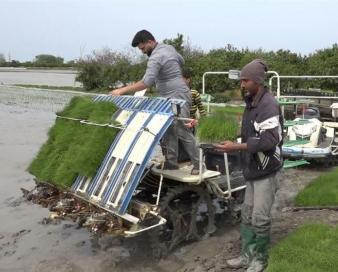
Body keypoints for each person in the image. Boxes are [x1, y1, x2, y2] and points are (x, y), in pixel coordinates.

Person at [215, 59, 283, 272]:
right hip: (253, 169)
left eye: (245, 80)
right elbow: (250, 133)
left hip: (266, 169)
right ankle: (247, 255)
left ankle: (260, 260)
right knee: (247, 214)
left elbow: (270, 140)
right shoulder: (251, 101)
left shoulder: (268, 104)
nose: (242, 84)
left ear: (257, 81)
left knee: (260, 218)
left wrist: (236, 147)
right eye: (242, 80)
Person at [110, 30, 200, 174]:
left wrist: (121, 90)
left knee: (182, 129)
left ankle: (199, 164)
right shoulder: (169, 48)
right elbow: (181, 60)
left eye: (143, 48)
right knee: (169, 129)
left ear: (150, 42)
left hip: (178, 95)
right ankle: (171, 163)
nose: (142, 52)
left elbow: (146, 82)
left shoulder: (156, 57)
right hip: (169, 95)